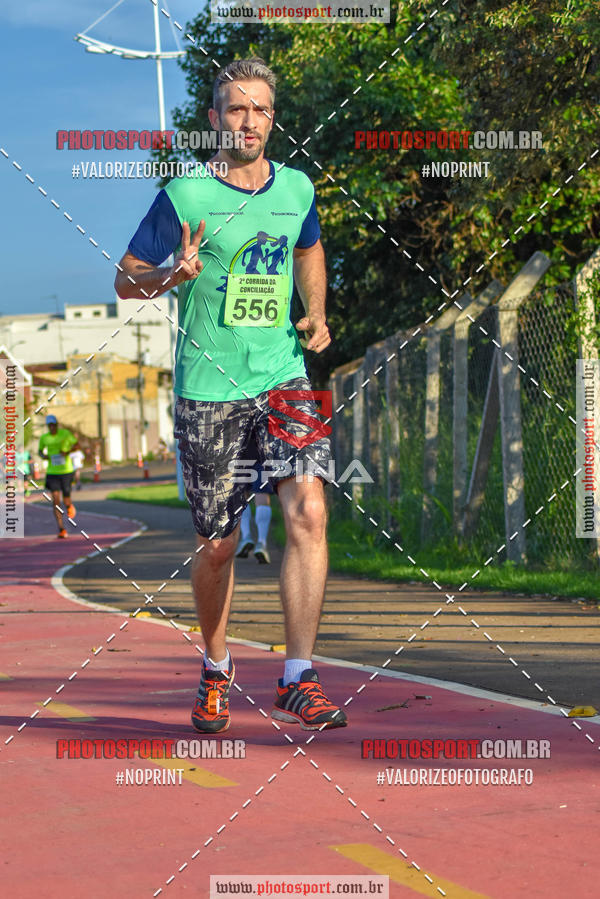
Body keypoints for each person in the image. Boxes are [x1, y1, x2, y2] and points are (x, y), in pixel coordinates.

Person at [115, 57, 346, 734]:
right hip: (209, 388)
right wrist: (171, 274)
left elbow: (308, 250)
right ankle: (216, 665)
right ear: (216, 119)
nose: (250, 122)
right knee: (217, 545)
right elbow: (127, 280)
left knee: (308, 509)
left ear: (274, 119)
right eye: (237, 110)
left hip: (286, 375)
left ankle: (299, 676)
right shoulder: (185, 196)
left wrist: (318, 310)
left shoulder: (296, 187)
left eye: (262, 110)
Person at [38, 415, 79, 537]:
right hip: (52, 472)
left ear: (57, 424)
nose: (52, 427)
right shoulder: (44, 438)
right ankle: (61, 529)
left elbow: (77, 445)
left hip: (66, 471)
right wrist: (43, 456)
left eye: (53, 425)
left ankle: (69, 505)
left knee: (66, 498)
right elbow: (40, 451)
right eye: (49, 425)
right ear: (47, 427)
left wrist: (67, 452)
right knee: (55, 500)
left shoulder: (65, 434)